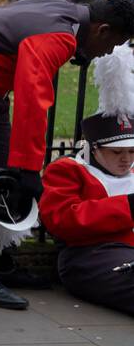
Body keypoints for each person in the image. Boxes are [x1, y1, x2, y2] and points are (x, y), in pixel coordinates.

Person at [0, 0, 134, 309]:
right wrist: (29, 168)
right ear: (102, 29)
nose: (108, 52)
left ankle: (0, 262)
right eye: (113, 44)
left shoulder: (66, 12)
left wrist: (21, 167)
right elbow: (33, 98)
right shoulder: (59, 36)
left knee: (2, 171)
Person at [39, 47, 134, 315]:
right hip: (91, 256)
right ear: (94, 149)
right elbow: (62, 220)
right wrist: (129, 207)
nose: (126, 160)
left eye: (132, 152)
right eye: (117, 152)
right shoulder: (68, 171)